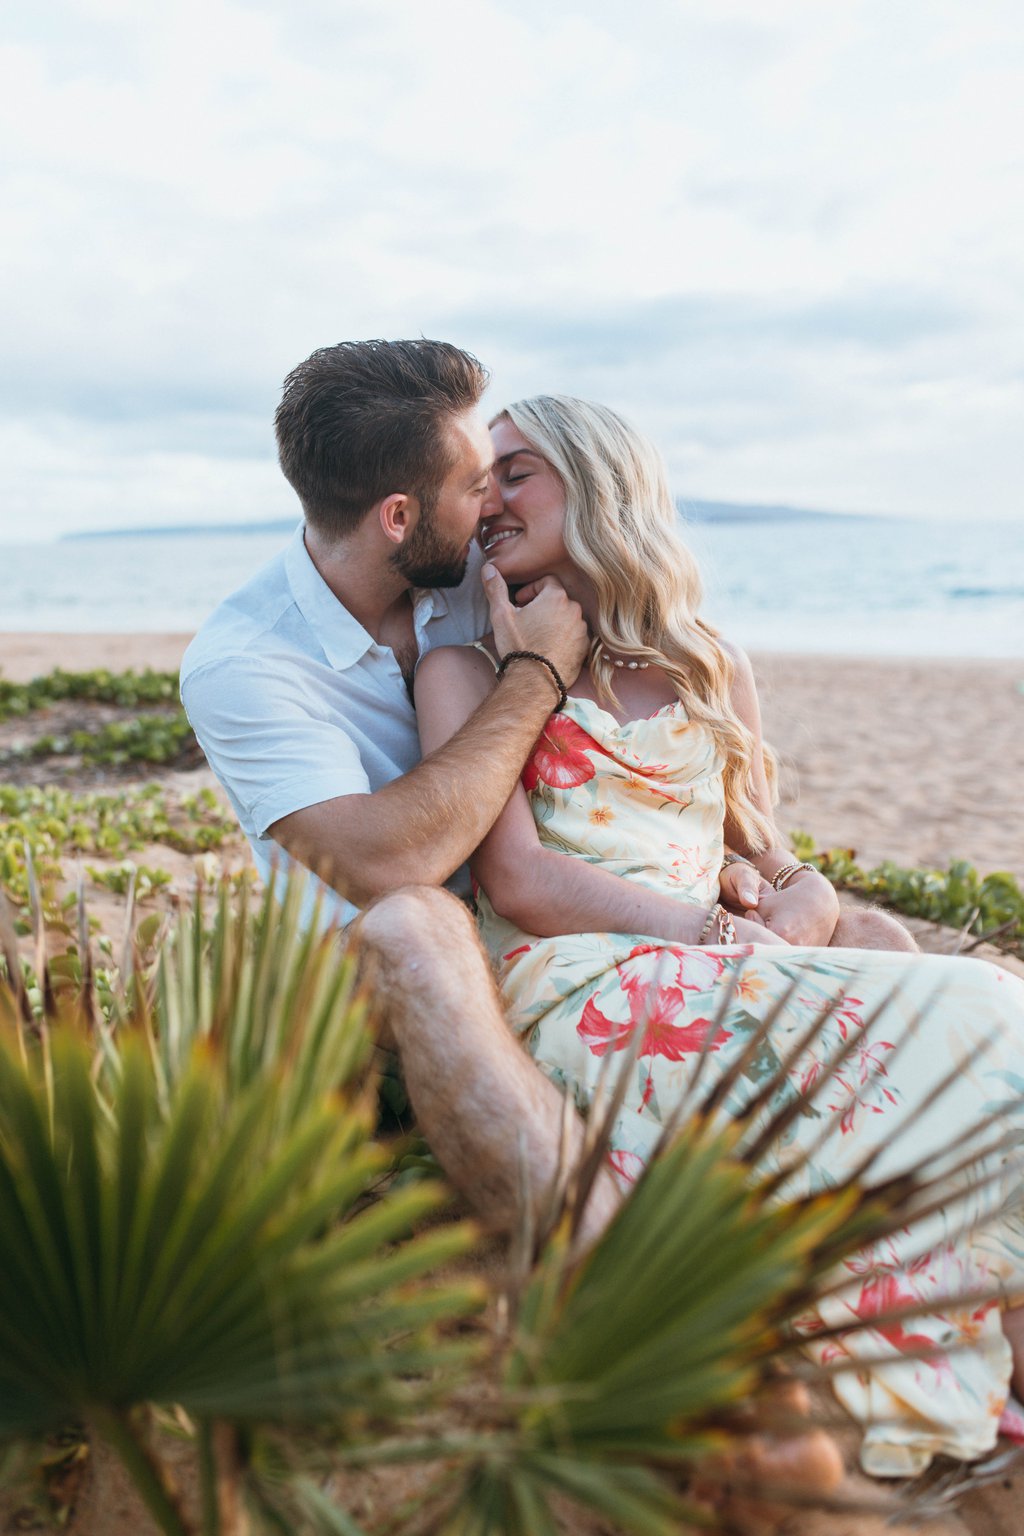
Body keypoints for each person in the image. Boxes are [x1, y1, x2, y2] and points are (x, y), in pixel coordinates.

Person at [412, 393, 1024, 1478]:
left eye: (514, 472)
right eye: (481, 477)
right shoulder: (469, 672)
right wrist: (711, 930)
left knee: (983, 1034)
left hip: (715, 970)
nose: (488, 499)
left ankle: (969, 1345)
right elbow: (522, 879)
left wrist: (794, 908)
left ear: (598, 485)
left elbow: (776, 857)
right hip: (576, 986)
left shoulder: (708, 665)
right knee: (985, 1005)